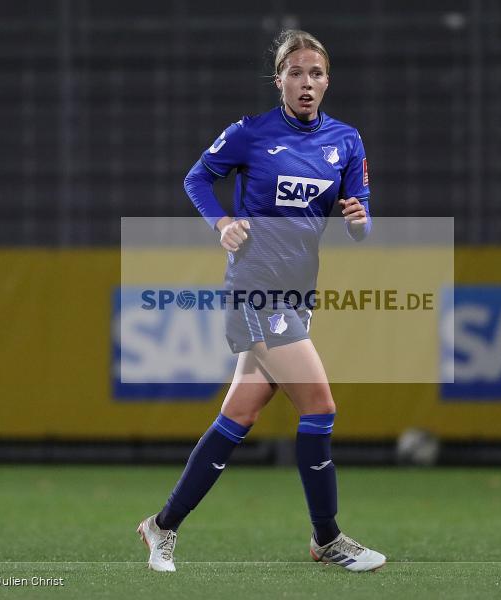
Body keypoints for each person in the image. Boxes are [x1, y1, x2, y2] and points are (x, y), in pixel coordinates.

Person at [137, 29, 386, 573]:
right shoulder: (251, 133)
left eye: (316, 73)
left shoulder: (346, 141)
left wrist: (360, 220)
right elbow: (197, 178)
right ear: (279, 80)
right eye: (295, 72)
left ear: (327, 82)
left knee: (238, 416)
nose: (306, 82)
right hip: (255, 288)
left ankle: (161, 526)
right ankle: (328, 539)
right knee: (320, 407)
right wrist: (222, 222)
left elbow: (361, 219)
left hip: (299, 296)